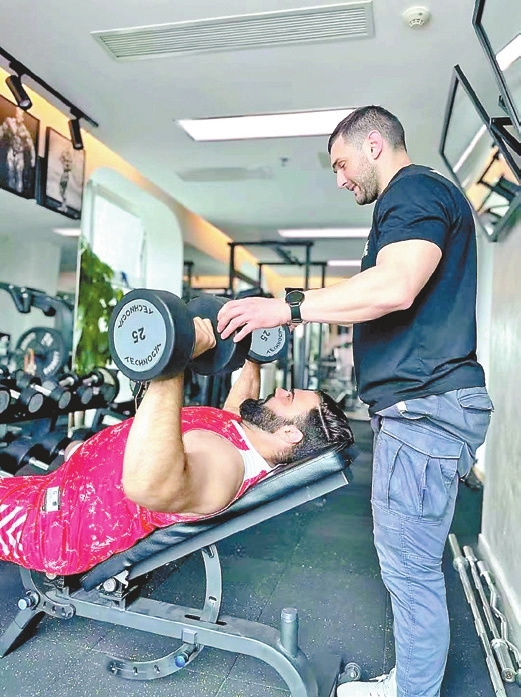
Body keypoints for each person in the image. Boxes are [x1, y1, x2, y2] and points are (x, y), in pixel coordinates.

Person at [217, 106, 494, 697]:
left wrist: (288, 307)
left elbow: (395, 287)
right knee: (409, 564)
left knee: (409, 568)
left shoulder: (412, 191)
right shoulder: (415, 199)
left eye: (341, 164)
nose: (340, 179)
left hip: (423, 409)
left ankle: (412, 692)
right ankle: (411, 682)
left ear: (374, 144)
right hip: (422, 408)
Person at [0, 317, 353, 577]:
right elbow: (230, 414)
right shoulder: (248, 442)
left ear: (290, 434)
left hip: (53, 524)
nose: (280, 391)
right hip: (63, 488)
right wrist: (254, 358)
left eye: (288, 398)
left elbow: (146, 485)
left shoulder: (223, 468)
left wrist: (175, 362)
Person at [0, 107, 36, 194]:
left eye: (21, 115)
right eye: (18, 114)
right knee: (10, 172)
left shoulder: (24, 131)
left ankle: (17, 194)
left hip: (20, 154)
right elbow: (1, 131)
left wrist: (33, 159)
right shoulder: (9, 122)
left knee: (19, 175)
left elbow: (31, 146)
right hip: (11, 151)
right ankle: (10, 193)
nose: (19, 116)